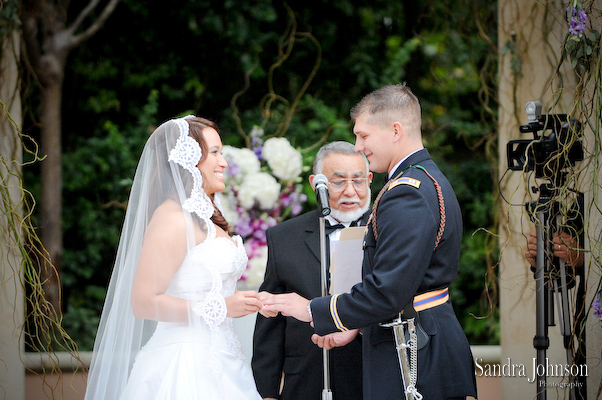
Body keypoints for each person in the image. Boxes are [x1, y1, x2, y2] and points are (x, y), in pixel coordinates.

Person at [262, 84, 478, 400]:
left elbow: (386, 291)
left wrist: (312, 308)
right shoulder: (426, 178)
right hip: (420, 336)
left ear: (395, 130)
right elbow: (403, 287)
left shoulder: (406, 193)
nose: (358, 146)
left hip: (415, 351)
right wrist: (355, 325)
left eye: (363, 136)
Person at [85, 116, 265, 400]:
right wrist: (221, 306)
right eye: (215, 152)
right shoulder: (172, 218)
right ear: (189, 159)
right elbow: (144, 302)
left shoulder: (206, 217)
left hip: (225, 359)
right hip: (184, 363)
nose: (224, 163)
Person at [252, 141, 371, 400]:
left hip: (372, 378)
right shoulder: (283, 237)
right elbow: (269, 323)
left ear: (370, 180)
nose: (350, 191)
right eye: (338, 182)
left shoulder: (388, 231)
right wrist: (267, 392)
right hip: (305, 382)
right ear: (316, 182)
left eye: (358, 181)